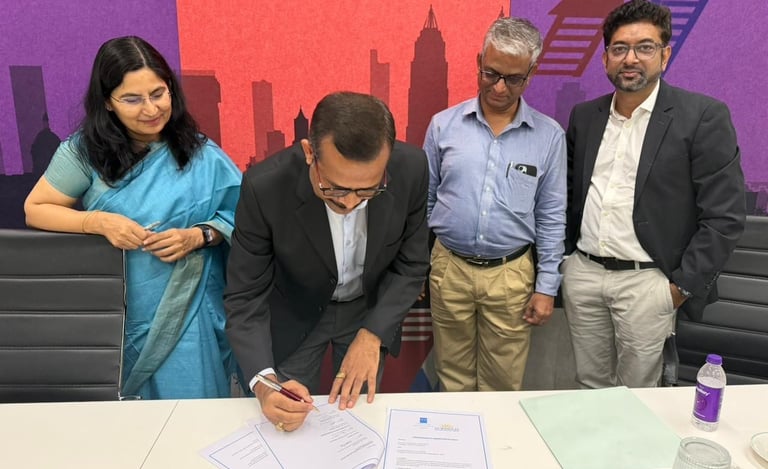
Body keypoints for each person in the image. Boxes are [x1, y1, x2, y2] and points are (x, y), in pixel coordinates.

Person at [24, 36, 243, 399]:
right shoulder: (83, 152)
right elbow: (36, 209)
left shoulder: (200, 151)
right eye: (132, 99)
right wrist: (97, 222)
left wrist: (200, 235)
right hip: (118, 313)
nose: (150, 109)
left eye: (158, 94)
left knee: (192, 413)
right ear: (107, 102)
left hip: (189, 309)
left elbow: (243, 216)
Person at [563, 0, 746, 389]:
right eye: (619, 48)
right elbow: (567, 194)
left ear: (664, 55)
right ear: (605, 58)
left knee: (639, 397)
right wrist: (567, 263)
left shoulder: (701, 116)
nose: (630, 58)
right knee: (589, 388)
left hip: (648, 283)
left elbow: (725, 216)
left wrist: (679, 289)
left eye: (644, 47)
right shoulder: (585, 116)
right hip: (585, 275)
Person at [224, 91, 429, 432]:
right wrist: (265, 384)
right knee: (288, 413)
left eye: (368, 191)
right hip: (295, 310)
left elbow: (411, 264)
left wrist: (373, 334)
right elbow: (245, 294)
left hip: (368, 308)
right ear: (309, 153)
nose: (350, 204)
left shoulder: (412, 169)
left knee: (358, 419)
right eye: (335, 189)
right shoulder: (265, 187)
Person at [424, 17, 566, 392]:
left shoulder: (549, 136)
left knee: (502, 385)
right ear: (479, 61)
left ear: (531, 74)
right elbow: (425, 200)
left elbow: (551, 216)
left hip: (511, 274)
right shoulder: (443, 126)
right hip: (449, 268)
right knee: (451, 377)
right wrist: (422, 263)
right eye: (491, 74)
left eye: (513, 79)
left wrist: (547, 286)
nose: (499, 87)